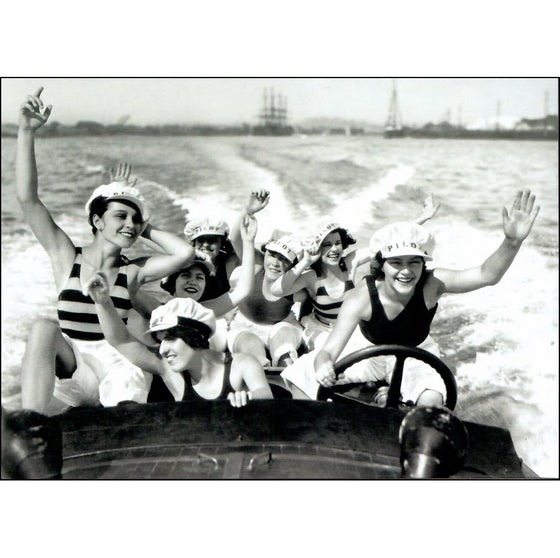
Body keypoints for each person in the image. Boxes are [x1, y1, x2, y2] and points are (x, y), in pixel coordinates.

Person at [16, 88, 195, 414]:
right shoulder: (67, 257)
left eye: (136, 219)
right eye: (120, 216)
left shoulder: (134, 271)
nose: (130, 224)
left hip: (119, 365)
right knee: (44, 328)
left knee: (125, 382)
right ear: (97, 220)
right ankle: (31, 423)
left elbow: (184, 254)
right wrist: (26, 131)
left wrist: (144, 225)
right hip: (76, 367)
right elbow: (28, 200)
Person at [283, 190, 540, 407]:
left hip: (415, 353)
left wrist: (512, 241)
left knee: (431, 399)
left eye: (414, 262)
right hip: (366, 350)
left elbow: (487, 275)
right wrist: (324, 366)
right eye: (396, 263)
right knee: (300, 374)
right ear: (381, 265)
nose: (406, 271)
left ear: (423, 264)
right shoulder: (360, 297)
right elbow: (327, 352)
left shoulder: (431, 285)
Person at [269, 197, 439, 352]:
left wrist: (423, 217)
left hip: (354, 328)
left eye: (337, 243)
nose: (334, 249)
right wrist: (305, 261)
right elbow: (276, 290)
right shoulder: (311, 276)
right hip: (323, 331)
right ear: (317, 248)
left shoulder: (350, 263)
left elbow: (390, 242)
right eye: (327, 245)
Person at [86, 278, 273, 407]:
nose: (163, 350)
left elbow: (265, 396)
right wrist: (103, 302)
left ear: (195, 334)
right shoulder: (170, 372)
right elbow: (121, 341)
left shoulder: (242, 364)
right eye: (160, 341)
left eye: (170, 338)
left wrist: (250, 399)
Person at [226, 190, 307, 368]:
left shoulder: (297, 283)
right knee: (251, 348)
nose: (276, 263)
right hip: (244, 326)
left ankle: (287, 379)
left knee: (283, 345)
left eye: (284, 259)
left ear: (294, 264)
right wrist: (248, 211)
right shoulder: (254, 265)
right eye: (273, 255)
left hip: (283, 327)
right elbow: (235, 238)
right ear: (265, 252)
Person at [183, 215, 240, 301]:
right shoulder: (185, 264)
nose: (205, 245)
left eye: (212, 240)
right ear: (194, 243)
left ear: (222, 244)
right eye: (201, 240)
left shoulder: (229, 261)